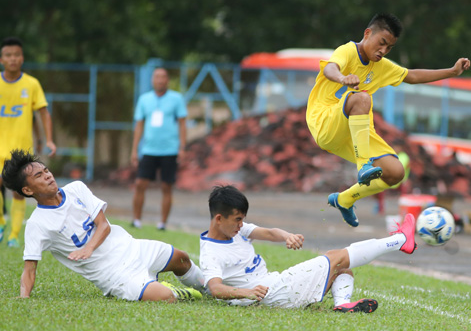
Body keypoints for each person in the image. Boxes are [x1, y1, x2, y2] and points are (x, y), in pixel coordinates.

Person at [306, 13, 470, 227]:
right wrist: (342, 78)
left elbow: (411, 76)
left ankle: (344, 200)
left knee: (395, 172)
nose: (383, 51)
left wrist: (452, 71)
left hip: (349, 131)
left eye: (389, 47)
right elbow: (330, 68)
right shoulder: (348, 51)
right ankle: (363, 165)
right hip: (323, 121)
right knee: (362, 98)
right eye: (381, 43)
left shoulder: (381, 65)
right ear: (367, 33)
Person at [2, 149, 205, 301]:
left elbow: (104, 226)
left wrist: (89, 248)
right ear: (28, 190)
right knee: (165, 297)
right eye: (39, 175)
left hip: (132, 248)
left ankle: (210, 289)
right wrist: (24, 299)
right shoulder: (37, 224)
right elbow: (29, 270)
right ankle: (174, 291)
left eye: (46, 170)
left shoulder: (76, 188)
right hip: (115, 276)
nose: (47, 175)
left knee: (182, 259)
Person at [199, 185, 416, 313]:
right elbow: (215, 289)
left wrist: (287, 236)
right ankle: (399, 240)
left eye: (242, 220)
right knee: (335, 258)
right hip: (272, 295)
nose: (241, 225)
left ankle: (342, 305)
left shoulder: (236, 230)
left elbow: (269, 232)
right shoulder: (211, 252)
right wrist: (247, 292)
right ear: (219, 219)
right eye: (237, 220)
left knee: (343, 271)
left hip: (275, 285)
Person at [0, 37, 57, 247]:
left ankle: (14, 235)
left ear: (22, 58)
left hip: (21, 150)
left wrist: (48, 140)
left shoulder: (32, 84)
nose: (12, 59)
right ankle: (1, 224)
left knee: (18, 192)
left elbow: (43, 112)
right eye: (8, 55)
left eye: (16, 55)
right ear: (2, 59)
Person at [130, 67, 187, 231]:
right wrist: (134, 149)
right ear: (152, 80)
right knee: (140, 183)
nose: (160, 80)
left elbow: (182, 124)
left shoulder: (176, 99)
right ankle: (136, 220)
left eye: (163, 77)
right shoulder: (144, 99)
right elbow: (139, 125)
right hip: (149, 149)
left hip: (169, 150)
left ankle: (162, 223)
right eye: (157, 77)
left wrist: (182, 147)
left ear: (167, 80)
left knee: (166, 186)